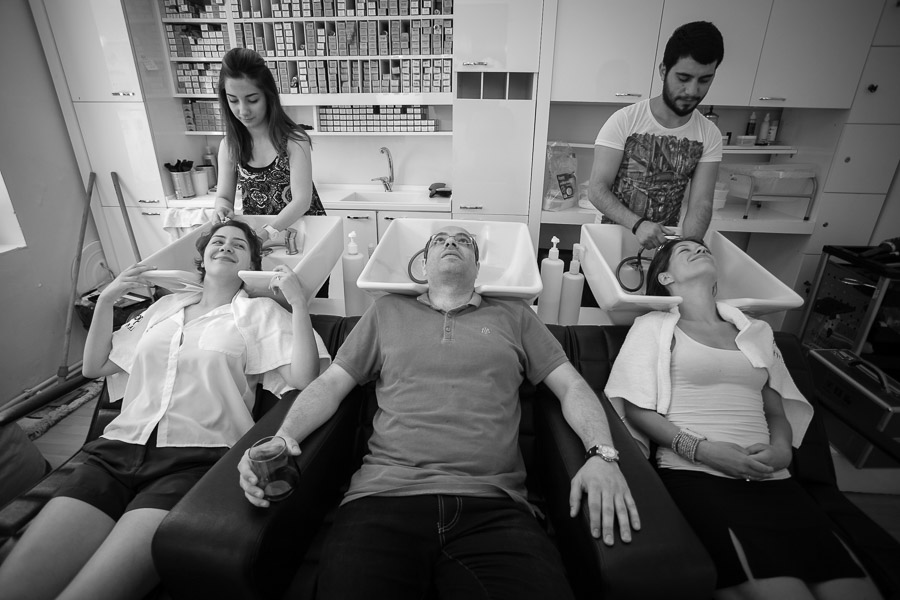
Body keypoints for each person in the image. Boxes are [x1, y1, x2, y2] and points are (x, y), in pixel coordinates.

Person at [238, 225, 640, 599]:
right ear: (423, 265)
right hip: (382, 500)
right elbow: (329, 384)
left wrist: (602, 453)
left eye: (464, 241)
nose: (451, 243)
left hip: (494, 507)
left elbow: (571, 385)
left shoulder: (516, 317)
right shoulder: (385, 312)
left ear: (478, 267)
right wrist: (283, 435)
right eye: (439, 241)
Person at [0, 219, 330, 600]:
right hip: (115, 453)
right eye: (218, 241)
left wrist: (299, 302)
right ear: (203, 258)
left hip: (193, 462)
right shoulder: (164, 307)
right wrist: (107, 299)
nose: (225, 246)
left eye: (238, 245)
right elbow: (96, 367)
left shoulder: (259, 314)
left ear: (251, 264)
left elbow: (305, 377)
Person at [605, 237, 883, 600]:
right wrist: (702, 450)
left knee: (854, 592)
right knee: (784, 593)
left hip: (773, 479)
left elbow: (775, 408)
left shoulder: (753, 331)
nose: (699, 250)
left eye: (703, 248)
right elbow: (638, 408)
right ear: (665, 279)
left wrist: (783, 451)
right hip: (698, 477)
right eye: (684, 251)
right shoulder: (654, 328)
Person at [589, 21, 724, 250]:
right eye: (683, 78)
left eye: (704, 80)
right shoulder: (625, 120)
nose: (692, 91)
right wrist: (638, 225)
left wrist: (688, 250)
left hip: (664, 246)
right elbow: (597, 189)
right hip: (610, 240)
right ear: (663, 71)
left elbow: (701, 204)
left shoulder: (709, 134)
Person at [213, 48, 326, 245]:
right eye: (233, 100)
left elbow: (301, 201)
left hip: (304, 235)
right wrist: (221, 208)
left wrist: (267, 232)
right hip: (260, 239)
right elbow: (224, 196)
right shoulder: (230, 146)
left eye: (252, 99)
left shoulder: (294, 140)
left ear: (268, 95)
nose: (243, 110)